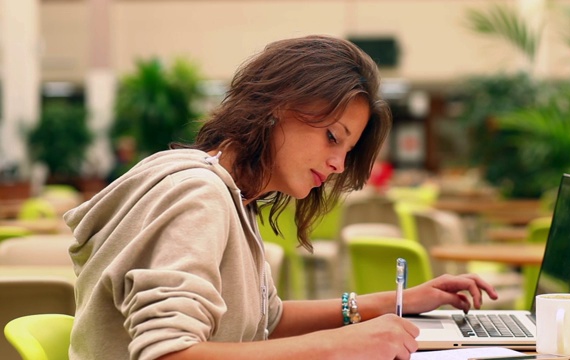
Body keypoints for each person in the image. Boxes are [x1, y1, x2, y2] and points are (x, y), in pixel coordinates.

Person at [64, 35, 498, 360]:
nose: (337, 165)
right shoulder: (199, 193)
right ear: (274, 107)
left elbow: (265, 322)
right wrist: (341, 345)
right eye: (332, 137)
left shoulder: (233, 194)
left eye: (346, 151)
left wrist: (398, 302)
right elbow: (168, 353)